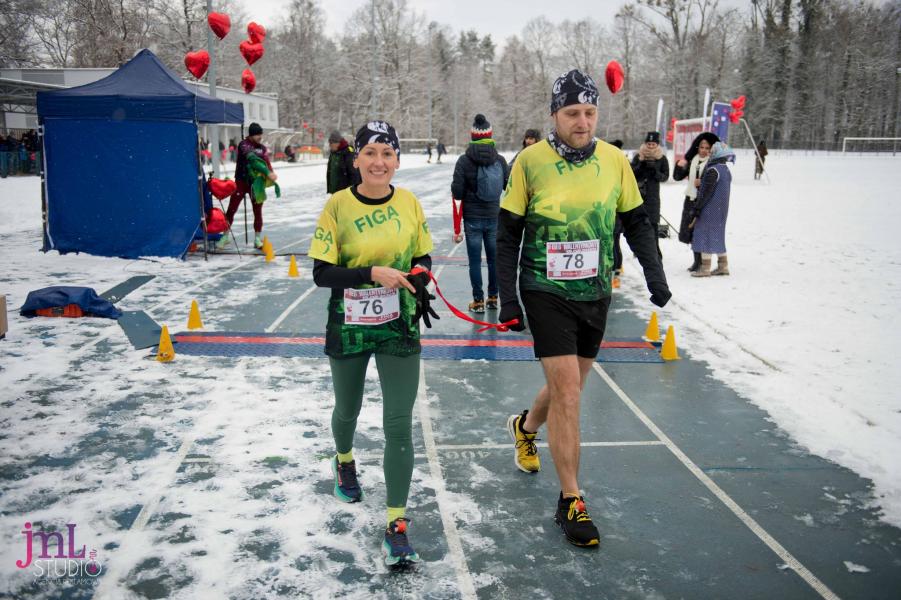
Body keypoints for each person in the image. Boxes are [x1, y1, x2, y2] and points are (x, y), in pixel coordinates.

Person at [496, 69, 670, 548]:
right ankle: (571, 499)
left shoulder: (615, 160)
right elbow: (508, 234)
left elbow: (636, 222)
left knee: (568, 385)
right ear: (555, 114)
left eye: (590, 112)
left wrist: (655, 276)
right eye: (572, 112)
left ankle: (525, 426)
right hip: (544, 289)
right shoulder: (530, 162)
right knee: (569, 392)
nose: (582, 121)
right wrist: (508, 298)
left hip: (595, 292)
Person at [308, 120, 438, 567]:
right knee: (348, 408)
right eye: (371, 153)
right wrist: (371, 273)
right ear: (357, 159)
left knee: (399, 424)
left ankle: (397, 525)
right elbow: (322, 273)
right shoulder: (338, 206)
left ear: (397, 160)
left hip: (399, 322)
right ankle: (344, 458)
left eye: (388, 154)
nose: (379, 162)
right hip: (349, 322)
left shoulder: (410, 203)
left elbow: (423, 255)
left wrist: (418, 274)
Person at [451, 114, 509, 313]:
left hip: (473, 219)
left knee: (475, 261)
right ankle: (494, 298)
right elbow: (507, 186)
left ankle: (478, 301)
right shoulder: (500, 160)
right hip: (494, 217)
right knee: (494, 261)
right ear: (490, 135)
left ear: (473, 136)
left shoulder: (464, 161)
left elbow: (457, 193)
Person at [223, 122, 277, 249]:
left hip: (256, 184)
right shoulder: (244, 144)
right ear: (251, 135)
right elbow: (252, 159)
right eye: (257, 134)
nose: (260, 136)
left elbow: (266, 162)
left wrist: (271, 172)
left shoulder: (262, 148)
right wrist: (267, 172)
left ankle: (257, 239)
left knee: (257, 211)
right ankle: (225, 236)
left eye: (260, 134)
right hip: (241, 182)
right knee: (232, 209)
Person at [673, 132, 719, 272]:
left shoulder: (713, 163)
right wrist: (679, 166)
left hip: (704, 202)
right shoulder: (693, 160)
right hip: (690, 199)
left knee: (701, 232)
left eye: (707, 148)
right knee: (690, 232)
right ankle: (696, 261)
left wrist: (702, 182)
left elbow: (715, 184)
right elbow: (677, 177)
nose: (704, 150)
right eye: (701, 147)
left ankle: (703, 262)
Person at [690, 141, 735, 277]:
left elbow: (706, 193)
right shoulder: (726, 169)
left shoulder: (712, 170)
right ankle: (723, 266)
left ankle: (705, 268)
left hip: (710, 209)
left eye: (711, 152)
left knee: (705, 235)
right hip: (722, 209)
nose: (709, 154)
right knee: (717, 236)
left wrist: (697, 208)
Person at [631, 131, 670, 257]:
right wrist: (641, 166)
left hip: (653, 197)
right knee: (640, 225)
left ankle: (655, 252)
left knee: (653, 225)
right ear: (645, 143)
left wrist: (655, 171)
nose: (651, 146)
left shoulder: (662, 158)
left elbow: (665, 177)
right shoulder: (638, 156)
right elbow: (631, 174)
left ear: (657, 144)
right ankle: (640, 251)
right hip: (639, 195)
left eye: (653, 144)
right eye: (649, 143)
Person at [608, 139, 626, 286]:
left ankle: (615, 271)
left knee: (614, 243)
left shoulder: (621, 167)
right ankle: (615, 268)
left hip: (616, 213)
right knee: (613, 243)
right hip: (610, 212)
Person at [326, 130, 360, 194]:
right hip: (334, 192)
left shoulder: (348, 153)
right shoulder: (333, 153)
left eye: (331, 143)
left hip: (345, 193)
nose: (329, 145)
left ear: (337, 143)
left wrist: (351, 192)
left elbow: (354, 174)